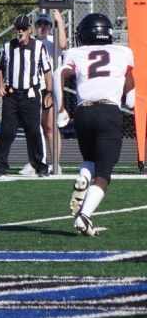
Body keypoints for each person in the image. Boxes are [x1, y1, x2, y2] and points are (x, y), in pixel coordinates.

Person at [53, 13, 135, 236]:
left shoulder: (75, 53)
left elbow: (58, 73)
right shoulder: (123, 52)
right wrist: (130, 102)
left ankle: (83, 177)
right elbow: (130, 97)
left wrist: (62, 109)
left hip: (83, 112)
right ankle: (85, 216)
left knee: (89, 160)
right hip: (109, 111)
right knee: (104, 173)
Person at [0, 14, 54, 177]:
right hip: (11, 95)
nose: (20, 31)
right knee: (7, 131)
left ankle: (40, 165)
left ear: (30, 30)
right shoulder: (8, 47)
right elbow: (0, 67)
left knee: (33, 131)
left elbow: (47, 71)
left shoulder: (39, 47)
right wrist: (0, 85)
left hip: (31, 94)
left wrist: (49, 92)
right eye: (18, 28)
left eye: (24, 29)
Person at [34, 10, 68, 174]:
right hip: (33, 87)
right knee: (34, 126)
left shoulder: (52, 41)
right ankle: (37, 161)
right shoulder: (31, 42)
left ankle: (55, 163)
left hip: (49, 87)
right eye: (39, 24)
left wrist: (60, 22)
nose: (42, 27)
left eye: (45, 24)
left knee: (50, 126)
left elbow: (63, 44)